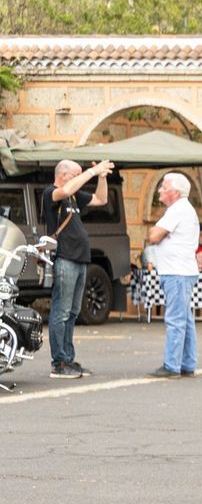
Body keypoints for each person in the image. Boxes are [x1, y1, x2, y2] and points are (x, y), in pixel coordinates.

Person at [41, 157, 112, 379]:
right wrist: (91, 173)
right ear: (64, 175)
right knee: (61, 312)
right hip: (65, 258)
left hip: (80, 259)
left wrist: (101, 176)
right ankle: (59, 363)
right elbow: (64, 191)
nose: (81, 178)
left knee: (72, 313)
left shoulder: (73, 195)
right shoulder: (51, 193)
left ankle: (68, 359)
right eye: (77, 174)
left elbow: (101, 199)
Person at [146, 173, 201, 379]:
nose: (160, 190)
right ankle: (187, 363)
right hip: (182, 271)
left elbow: (153, 236)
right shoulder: (183, 209)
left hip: (176, 272)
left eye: (164, 187)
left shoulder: (177, 210)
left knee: (176, 319)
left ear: (175, 192)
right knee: (185, 319)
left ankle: (172, 365)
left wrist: (159, 232)